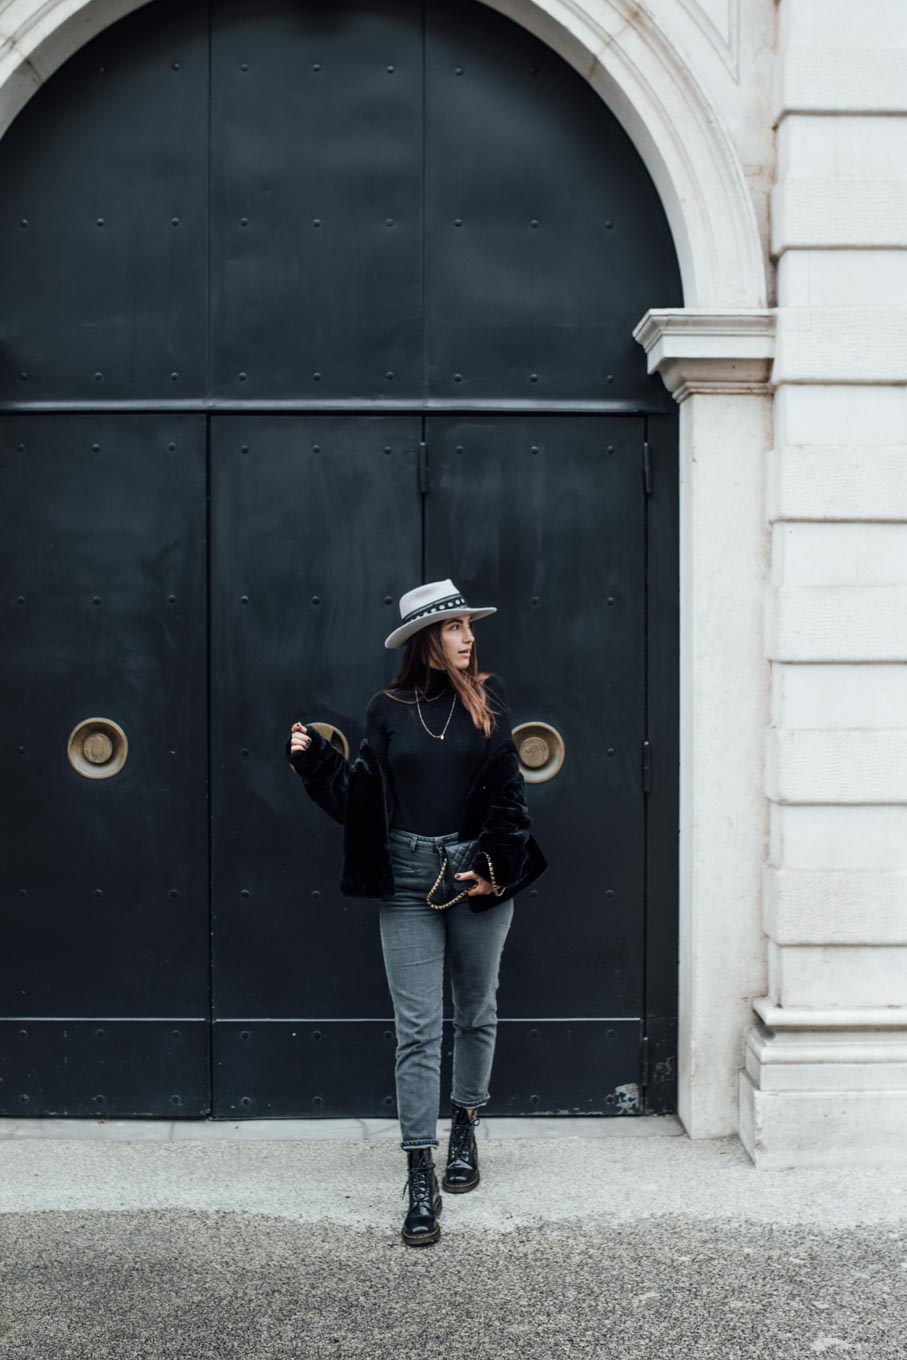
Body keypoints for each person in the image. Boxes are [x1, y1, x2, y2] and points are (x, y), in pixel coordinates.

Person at [285, 578, 547, 1247]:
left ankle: (464, 1126)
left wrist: (492, 870)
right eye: (455, 627)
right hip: (405, 877)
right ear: (427, 639)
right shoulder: (387, 709)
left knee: (476, 1008)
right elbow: (361, 806)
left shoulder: (488, 700)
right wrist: (317, 765)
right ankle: (418, 1172)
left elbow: (510, 800)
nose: (468, 636)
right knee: (417, 1029)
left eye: (468, 625)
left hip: (473, 874)